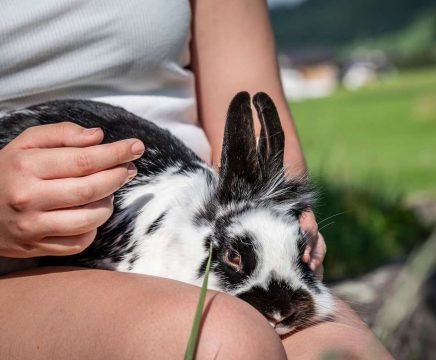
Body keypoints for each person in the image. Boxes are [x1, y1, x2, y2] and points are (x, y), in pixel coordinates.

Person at [0, 1, 392, 359]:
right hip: (15, 257)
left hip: (203, 183)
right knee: (227, 340)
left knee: (346, 353)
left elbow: (245, 90)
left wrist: (289, 218)